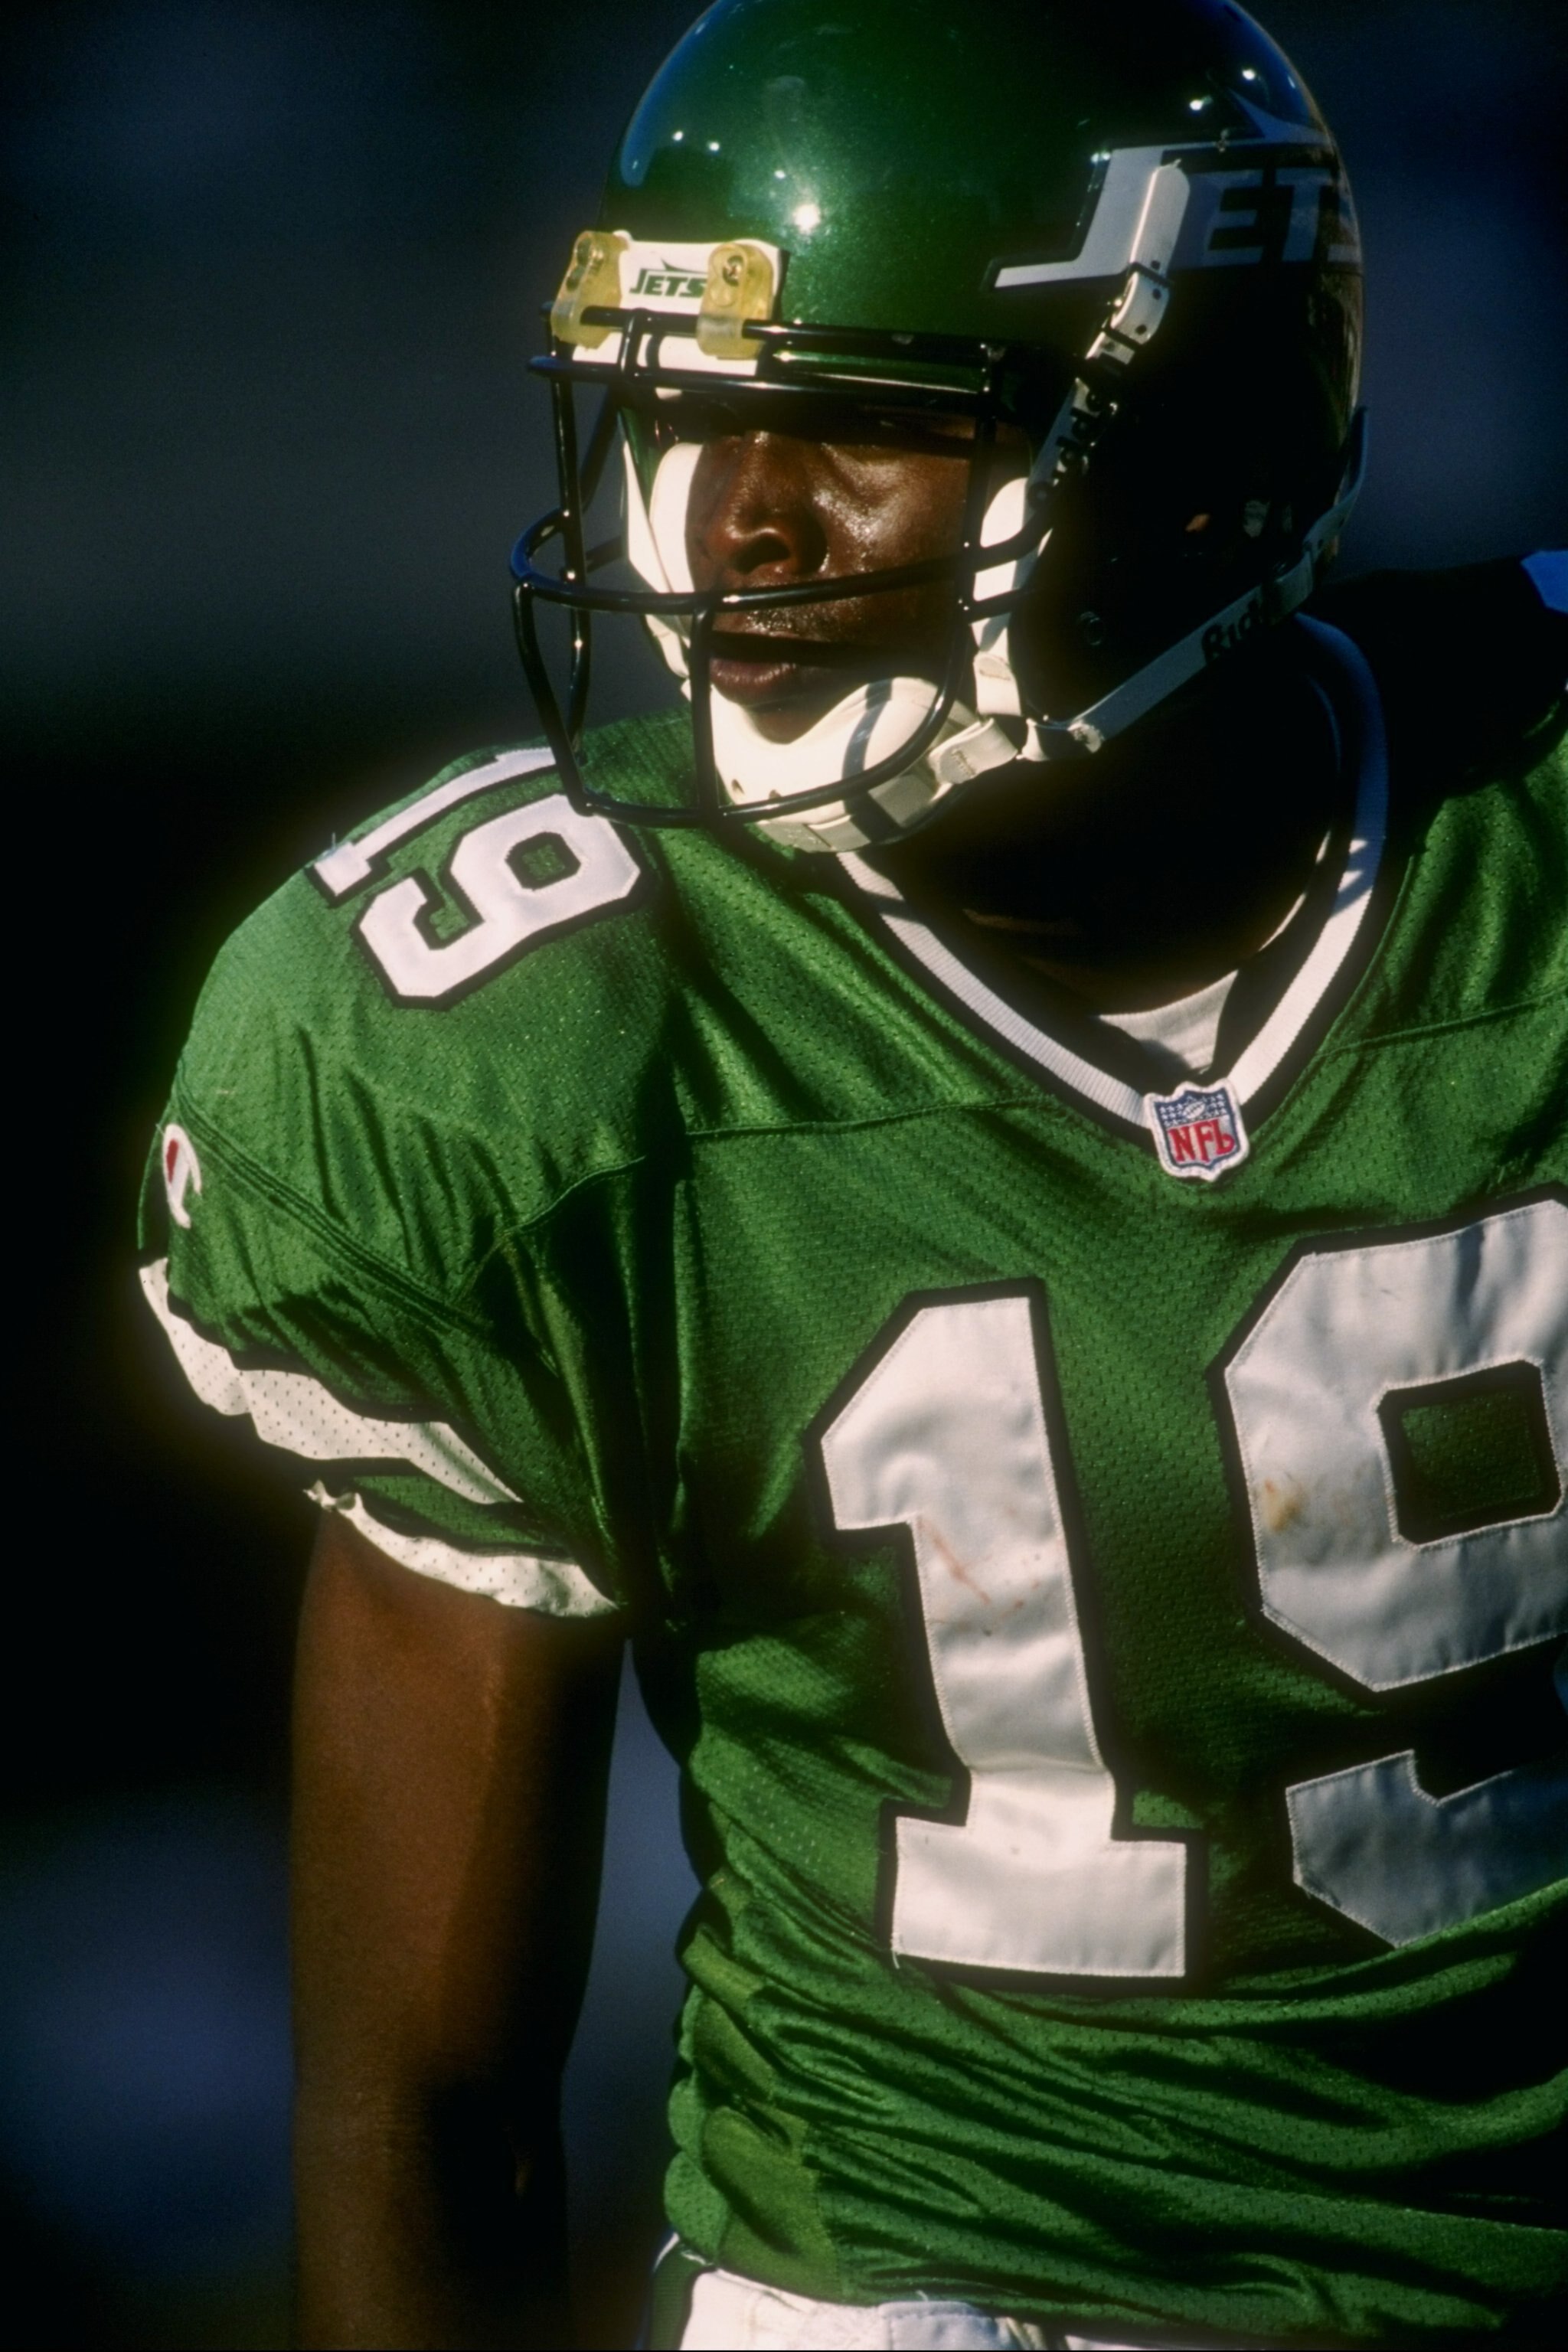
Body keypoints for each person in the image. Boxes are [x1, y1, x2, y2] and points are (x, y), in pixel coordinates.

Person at [140, 2, 1566, 2344]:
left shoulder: (1529, 836)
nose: (742, 517)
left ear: (1200, 449)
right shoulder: (530, 1040)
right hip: (926, 2279)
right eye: (688, 411)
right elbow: (419, 2098)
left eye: (865, 419)